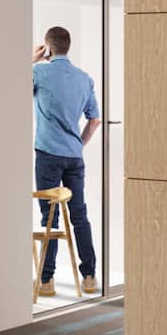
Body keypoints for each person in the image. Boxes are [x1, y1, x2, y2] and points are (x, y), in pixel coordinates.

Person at [31, 26, 101, 296]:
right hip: (74, 156)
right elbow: (94, 120)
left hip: (48, 155)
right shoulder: (84, 79)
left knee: (50, 217)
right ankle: (90, 277)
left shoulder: (39, 72)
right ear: (68, 46)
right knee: (79, 215)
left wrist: (33, 60)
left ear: (49, 48)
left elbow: (9, 86)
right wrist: (78, 145)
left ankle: (46, 281)